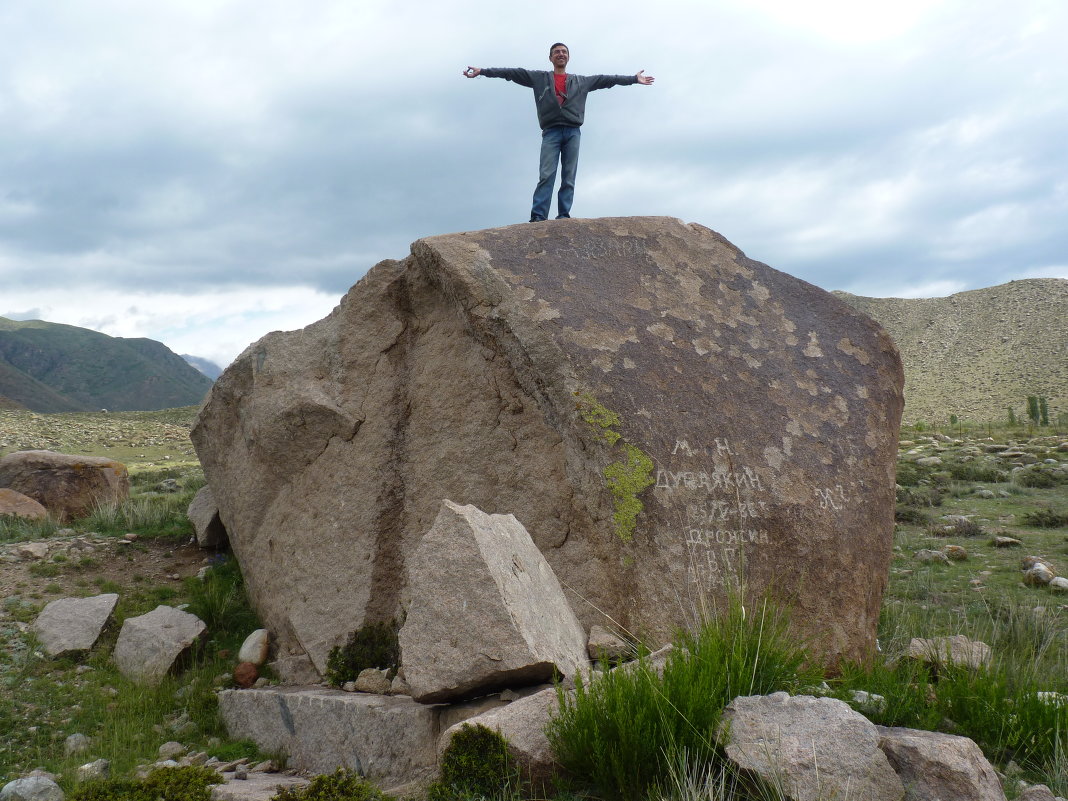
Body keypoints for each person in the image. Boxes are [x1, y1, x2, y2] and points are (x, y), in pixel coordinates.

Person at [463, 43, 654, 221]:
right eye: (557, 52)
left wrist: (633, 79)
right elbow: (513, 73)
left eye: (564, 52)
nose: (560, 54)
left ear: (568, 57)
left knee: (569, 176)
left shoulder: (581, 81)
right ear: (550, 58)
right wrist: (483, 71)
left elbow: (608, 80)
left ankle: (563, 216)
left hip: (573, 131)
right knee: (546, 174)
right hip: (551, 132)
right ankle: (538, 217)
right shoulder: (539, 78)